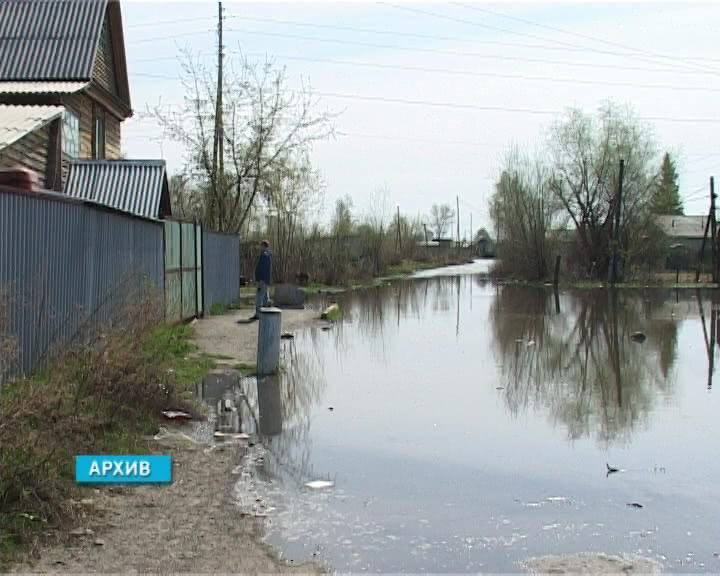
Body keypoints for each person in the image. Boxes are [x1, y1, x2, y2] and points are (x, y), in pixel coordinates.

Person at [251, 240, 272, 321]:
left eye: (261, 245)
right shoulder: (268, 255)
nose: (260, 247)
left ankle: (258, 314)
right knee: (265, 297)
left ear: (264, 246)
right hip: (265, 280)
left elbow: (262, 269)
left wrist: (260, 280)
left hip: (262, 280)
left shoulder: (264, 255)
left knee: (259, 297)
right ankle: (267, 313)